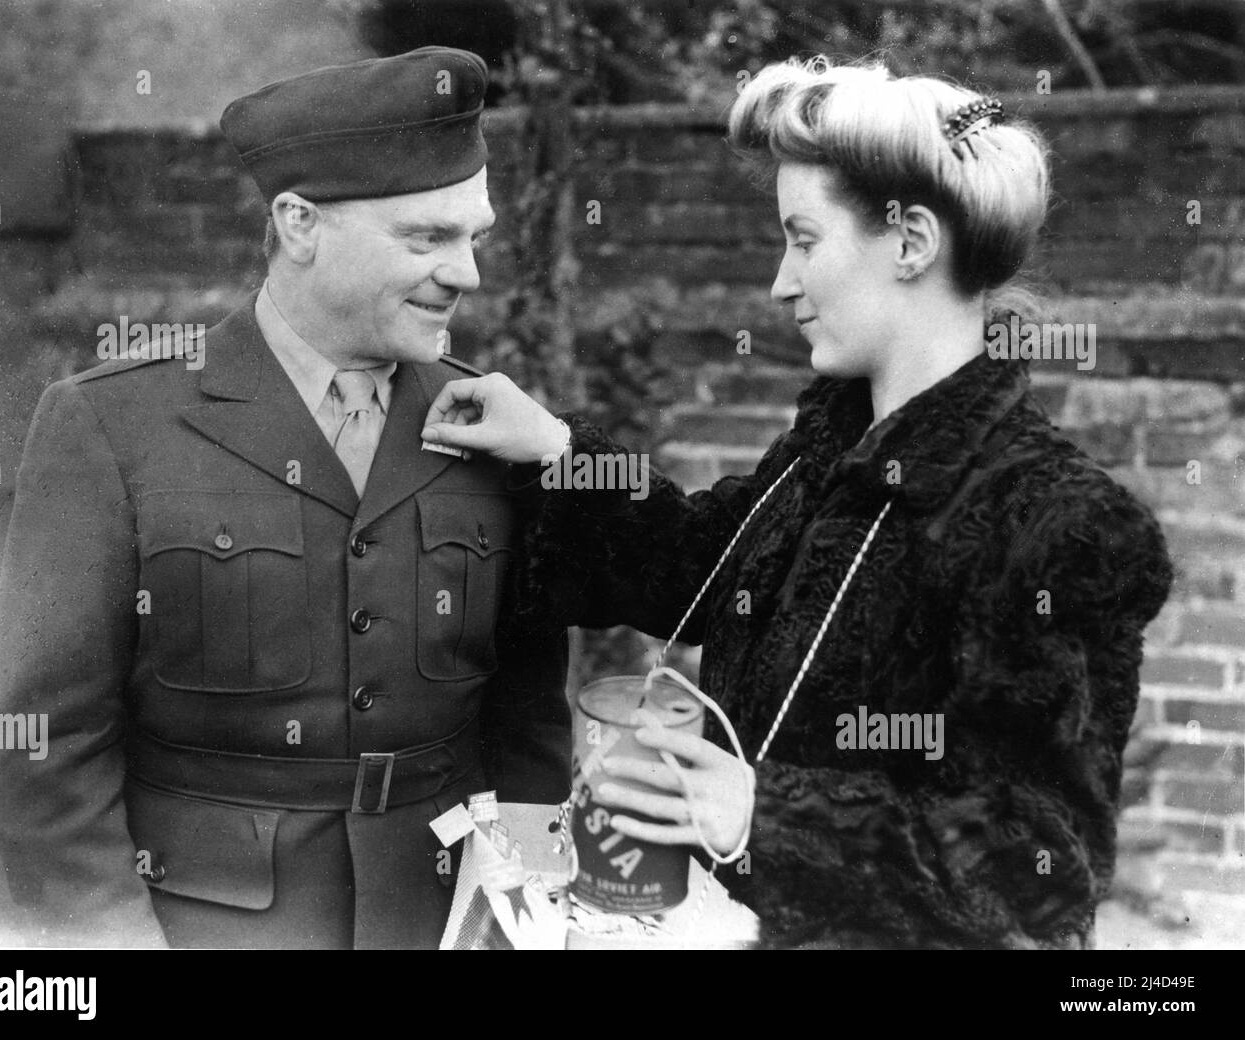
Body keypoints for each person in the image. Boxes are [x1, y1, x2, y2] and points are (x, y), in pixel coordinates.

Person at [420, 58, 1175, 949]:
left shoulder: (1060, 522)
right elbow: (696, 566)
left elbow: (1042, 868)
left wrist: (757, 811)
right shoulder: (831, 448)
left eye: (804, 240)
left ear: (910, 242)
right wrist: (556, 450)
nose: (780, 283)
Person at [0, 47, 571, 949]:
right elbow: (45, 749)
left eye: (473, 238)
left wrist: (522, 922)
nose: (467, 274)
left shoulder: (495, 431)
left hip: (438, 922)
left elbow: (529, 724)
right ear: (299, 223)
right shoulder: (113, 425)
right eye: (426, 238)